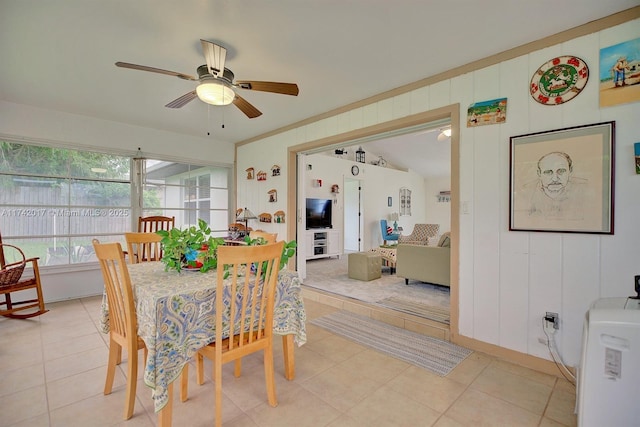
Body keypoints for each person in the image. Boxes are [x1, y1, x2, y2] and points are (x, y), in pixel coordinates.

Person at [523, 151, 589, 220]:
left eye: (561, 171)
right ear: (539, 173)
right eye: (548, 172)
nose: (555, 179)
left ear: (570, 171)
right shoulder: (525, 192)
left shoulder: (585, 189)